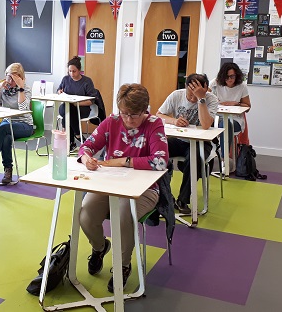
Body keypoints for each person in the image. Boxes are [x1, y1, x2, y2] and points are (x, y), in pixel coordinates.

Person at [78, 83, 168, 293]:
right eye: (124, 113)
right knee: (86, 214)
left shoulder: (155, 124)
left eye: (134, 115)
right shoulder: (112, 122)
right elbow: (87, 145)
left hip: (144, 189)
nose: (128, 120)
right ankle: (100, 247)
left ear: (145, 110)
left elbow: (161, 161)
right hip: (110, 183)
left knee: (124, 211)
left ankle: (123, 264)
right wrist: (86, 157)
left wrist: (124, 161)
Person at [156, 74, 219, 214]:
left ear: (205, 89)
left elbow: (206, 125)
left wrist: (200, 99)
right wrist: (174, 121)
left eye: (195, 95)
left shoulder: (211, 99)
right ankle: (164, 196)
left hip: (201, 143)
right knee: (158, 152)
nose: (191, 99)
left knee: (194, 158)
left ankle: (183, 200)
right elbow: (159, 115)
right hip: (179, 140)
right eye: (190, 95)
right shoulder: (176, 95)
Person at [57, 56, 99, 151]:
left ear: (79, 70)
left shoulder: (87, 81)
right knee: (67, 109)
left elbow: (91, 101)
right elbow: (59, 90)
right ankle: (77, 134)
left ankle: (71, 141)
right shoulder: (65, 79)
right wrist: (60, 92)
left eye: (74, 71)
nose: (71, 73)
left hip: (82, 108)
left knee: (68, 113)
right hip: (66, 107)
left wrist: (77, 104)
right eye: (70, 71)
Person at [209, 62, 251, 156]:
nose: (229, 79)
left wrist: (236, 103)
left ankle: (225, 159)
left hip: (234, 119)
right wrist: (216, 101)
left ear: (237, 76)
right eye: (226, 77)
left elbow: (247, 107)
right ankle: (204, 155)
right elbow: (204, 99)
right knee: (202, 123)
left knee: (225, 125)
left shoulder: (242, 86)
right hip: (216, 117)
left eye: (232, 76)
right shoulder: (215, 83)